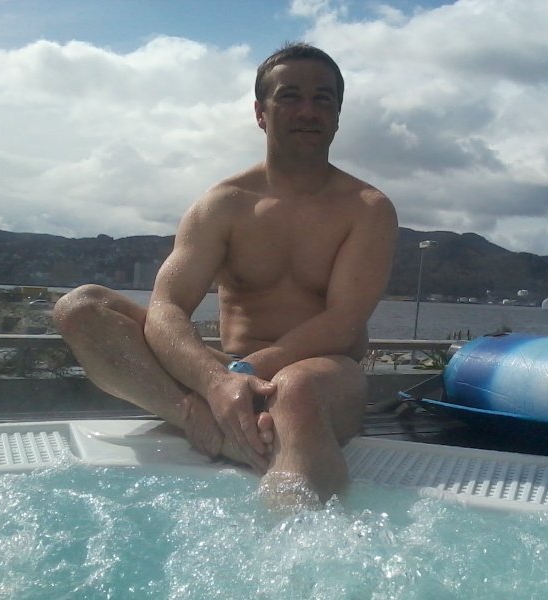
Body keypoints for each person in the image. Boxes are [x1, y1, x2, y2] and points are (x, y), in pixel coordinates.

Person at [53, 43, 398, 505]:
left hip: (325, 376)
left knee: (295, 389)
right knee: (81, 308)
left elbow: (343, 321)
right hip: (227, 371)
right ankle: (196, 417)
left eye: (323, 99)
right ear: (260, 112)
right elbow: (167, 306)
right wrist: (214, 383)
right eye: (290, 96)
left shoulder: (367, 209)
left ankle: (295, 536)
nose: (307, 110)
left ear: (337, 116)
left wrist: (243, 373)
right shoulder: (223, 205)